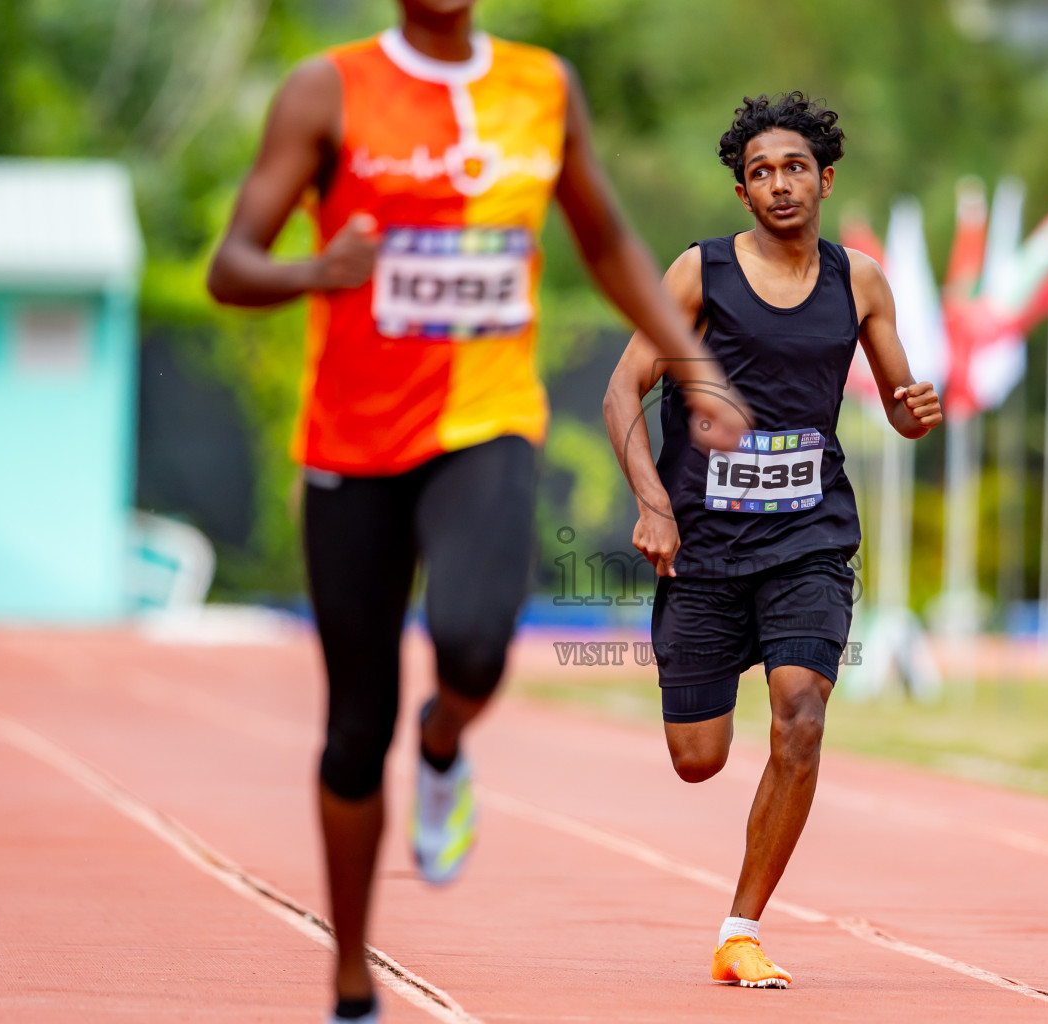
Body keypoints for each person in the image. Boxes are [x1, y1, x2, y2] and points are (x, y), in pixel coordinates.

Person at [206, 2, 742, 1020]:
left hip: (487, 419)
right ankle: (353, 979)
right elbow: (231, 264)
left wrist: (695, 362)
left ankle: (445, 741)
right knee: (353, 730)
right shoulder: (328, 88)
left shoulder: (542, 87)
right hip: (353, 444)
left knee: (472, 646)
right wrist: (316, 272)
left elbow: (609, 239)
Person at [602, 92, 941, 989]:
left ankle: (740, 927)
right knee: (697, 760)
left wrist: (916, 412)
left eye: (794, 167)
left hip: (810, 539)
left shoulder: (859, 281)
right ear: (744, 193)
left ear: (825, 179)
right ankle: (709, 690)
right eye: (760, 172)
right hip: (706, 550)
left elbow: (904, 408)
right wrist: (653, 505)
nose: (779, 183)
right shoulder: (698, 275)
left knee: (800, 716)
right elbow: (621, 392)